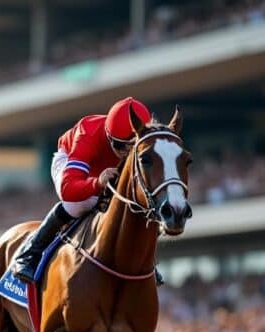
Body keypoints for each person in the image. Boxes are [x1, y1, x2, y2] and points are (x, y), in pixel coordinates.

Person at [11, 97, 162, 284]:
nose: (126, 152)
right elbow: (68, 189)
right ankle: (28, 254)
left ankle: (145, 261)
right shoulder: (87, 134)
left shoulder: (146, 138)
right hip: (71, 161)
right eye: (122, 146)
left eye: (132, 147)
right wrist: (97, 183)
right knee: (81, 203)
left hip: (107, 169)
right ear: (110, 138)